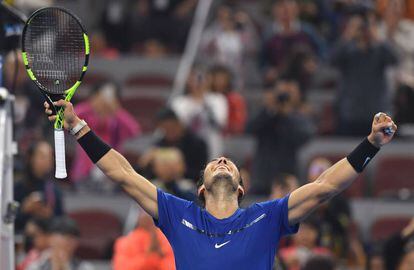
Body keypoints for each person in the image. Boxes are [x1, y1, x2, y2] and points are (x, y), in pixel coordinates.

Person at [44, 98, 397, 269]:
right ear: (201, 188)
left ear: (241, 188)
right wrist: (78, 125)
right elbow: (122, 173)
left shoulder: (267, 216)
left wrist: (371, 145)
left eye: (229, 163)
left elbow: (324, 186)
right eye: (215, 163)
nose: (223, 161)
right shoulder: (177, 214)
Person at [330, 11, 398, 136]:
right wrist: (348, 35)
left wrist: (378, 37)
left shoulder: (380, 49)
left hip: (376, 112)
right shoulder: (347, 50)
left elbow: (394, 59)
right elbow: (332, 61)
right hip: (350, 111)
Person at [247, 79, 315, 194]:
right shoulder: (265, 114)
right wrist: (269, 111)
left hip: (288, 174)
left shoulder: (299, 116)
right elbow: (250, 129)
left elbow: (305, 136)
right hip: (263, 176)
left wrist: (287, 115)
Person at [71, 80, 140, 182]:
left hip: (112, 172)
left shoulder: (117, 117)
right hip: (84, 172)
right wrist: (90, 106)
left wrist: (116, 111)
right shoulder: (85, 112)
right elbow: (66, 120)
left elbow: (134, 131)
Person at [170, 69, 228, 159]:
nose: (198, 83)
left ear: (209, 80)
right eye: (194, 79)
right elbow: (177, 128)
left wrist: (204, 102)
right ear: (188, 80)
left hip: (211, 145)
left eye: (202, 79)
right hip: (186, 147)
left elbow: (220, 125)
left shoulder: (218, 100)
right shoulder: (179, 102)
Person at [143, 108, 207, 182]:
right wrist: (145, 163)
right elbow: (145, 174)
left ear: (179, 124)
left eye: (171, 127)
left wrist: (181, 170)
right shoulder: (159, 145)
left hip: (190, 185)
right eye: (165, 128)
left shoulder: (197, 143)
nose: (169, 131)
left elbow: (201, 173)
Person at [14, 141, 64, 233]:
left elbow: (61, 222)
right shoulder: (17, 188)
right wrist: (24, 210)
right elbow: (8, 221)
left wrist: (48, 215)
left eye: (50, 156)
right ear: (30, 158)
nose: (47, 160)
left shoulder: (54, 189)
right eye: (42, 156)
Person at [27, 217, 93, 270]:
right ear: (51, 238)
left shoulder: (85, 267)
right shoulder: (36, 266)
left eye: (74, 237)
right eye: (65, 236)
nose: (70, 241)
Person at [208, 65, 247, 135]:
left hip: (228, 137)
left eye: (222, 78)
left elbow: (238, 124)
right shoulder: (206, 98)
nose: (219, 81)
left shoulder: (235, 99)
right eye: (216, 78)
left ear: (228, 79)